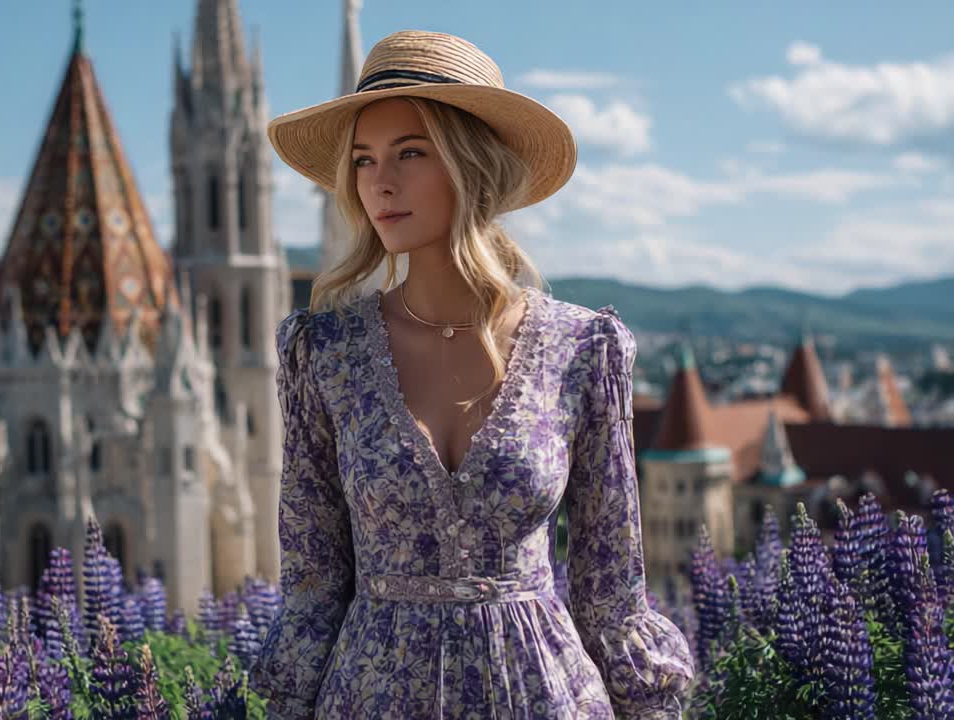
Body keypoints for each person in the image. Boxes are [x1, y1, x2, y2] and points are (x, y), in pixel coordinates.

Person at [248, 29, 696, 720]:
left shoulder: (584, 348)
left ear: (470, 163)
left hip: (545, 697)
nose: (380, 183)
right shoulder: (323, 354)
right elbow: (312, 589)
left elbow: (612, 592)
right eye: (364, 161)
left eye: (410, 153)